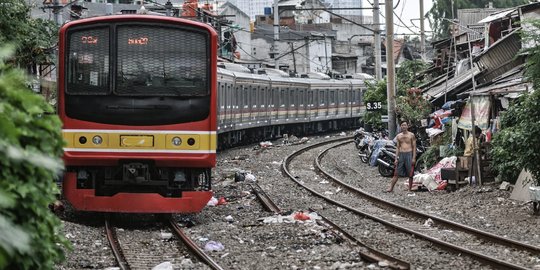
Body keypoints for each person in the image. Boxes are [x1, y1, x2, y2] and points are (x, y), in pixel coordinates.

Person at [386, 121, 417, 192]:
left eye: (405, 125)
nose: (403, 126)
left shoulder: (411, 135)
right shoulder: (399, 136)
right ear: (401, 127)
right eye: (402, 125)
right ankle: (391, 188)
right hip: (401, 155)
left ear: (407, 126)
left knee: (410, 174)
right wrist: (396, 158)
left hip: (409, 154)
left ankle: (410, 189)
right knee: (396, 173)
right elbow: (397, 147)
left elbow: (414, 147)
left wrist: (413, 158)